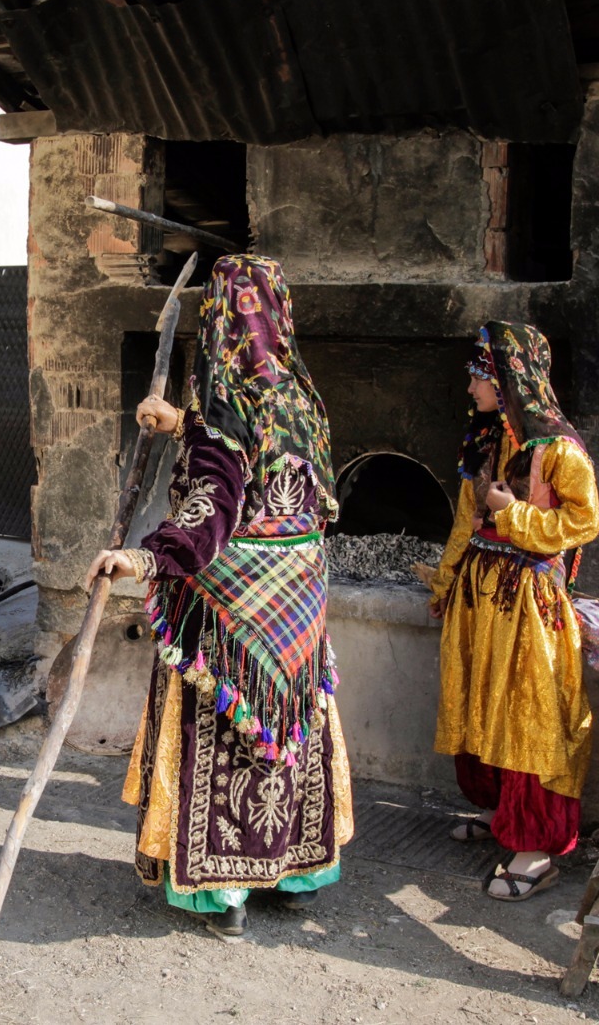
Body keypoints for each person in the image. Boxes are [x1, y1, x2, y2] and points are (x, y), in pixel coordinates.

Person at [86, 255, 352, 940]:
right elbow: (278, 480)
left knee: (228, 735)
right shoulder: (303, 400)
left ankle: (226, 893)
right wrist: (181, 423)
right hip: (296, 603)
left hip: (230, 604)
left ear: (219, 322)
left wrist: (143, 557)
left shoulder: (228, 405)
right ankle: (295, 877)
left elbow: (211, 512)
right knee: (288, 731)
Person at [427, 321, 599, 902]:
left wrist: (513, 513)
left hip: (529, 600)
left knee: (529, 711)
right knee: (484, 702)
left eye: (479, 375)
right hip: (481, 597)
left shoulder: (559, 449)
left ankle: (536, 847)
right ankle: (503, 813)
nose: (471, 387)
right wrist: (447, 583)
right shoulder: (481, 440)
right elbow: (463, 521)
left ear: (507, 380)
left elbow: (582, 524)